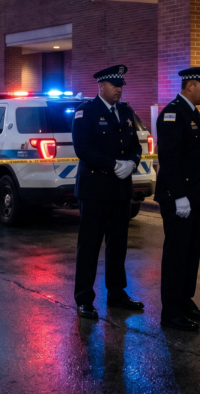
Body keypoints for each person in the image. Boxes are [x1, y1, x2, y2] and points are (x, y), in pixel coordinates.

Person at [71, 65, 145, 319]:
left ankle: (116, 293)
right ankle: (84, 298)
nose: (118, 89)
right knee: (89, 246)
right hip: (95, 189)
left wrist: (132, 163)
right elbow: (83, 149)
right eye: (114, 85)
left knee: (118, 245)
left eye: (121, 85)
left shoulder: (125, 111)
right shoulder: (86, 112)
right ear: (101, 86)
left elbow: (136, 145)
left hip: (120, 190)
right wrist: (114, 165)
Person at [155, 66, 200, 331]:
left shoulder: (190, 111)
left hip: (193, 196)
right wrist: (179, 196)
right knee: (177, 254)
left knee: (191, 251)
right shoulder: (172, 113)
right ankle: (171, 310)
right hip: (179, 198)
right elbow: (168, 160)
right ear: (191, 85)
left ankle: (184, 299)